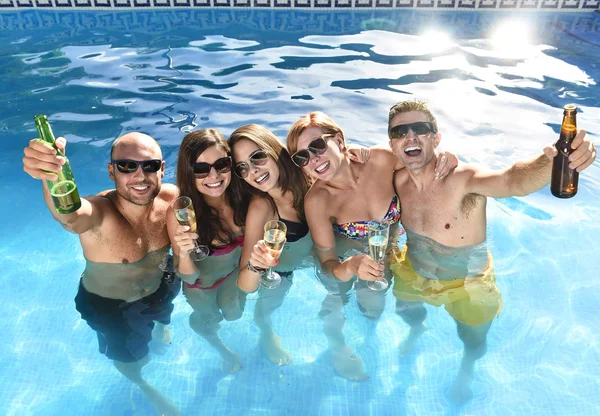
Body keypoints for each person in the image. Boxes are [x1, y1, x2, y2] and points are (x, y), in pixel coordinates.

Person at [386, 100, 597, 404]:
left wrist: (556, 158)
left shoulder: (464, 179)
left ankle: (467, 369)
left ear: (436, 137)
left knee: (473, 340)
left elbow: (513, 180)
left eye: (421, 129)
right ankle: (415, 332)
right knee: (407, 311)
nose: (411, 137)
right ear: (392, 144)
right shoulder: (394, 180)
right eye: (400, 132)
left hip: (468, 283)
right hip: (413, 270)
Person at [285, 111, 458, 381]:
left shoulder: (379, 160)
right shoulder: (318, 200)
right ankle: (337, 348)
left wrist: (447, 159)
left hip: (387, 251)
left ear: (339, 140)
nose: (313, 158)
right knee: (337, 299)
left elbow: (423, 162)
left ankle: (413, 330)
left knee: (384, 306)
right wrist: (350, 266)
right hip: (349, 257)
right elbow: (327, 264)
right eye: (302, 157)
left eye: (317, 146)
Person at [22, 132, 180, 416]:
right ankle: (144, 385)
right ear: (111, 171)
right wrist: (50, 172)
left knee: (163, 311)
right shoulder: (100, 213)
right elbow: (69, 215)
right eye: (127, 166)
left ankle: (161, 326)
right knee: (132, 359)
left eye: (150, 166)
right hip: (111, 308)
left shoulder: (171, 199)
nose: (140, 176)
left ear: (162, 169)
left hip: (161, 283)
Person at [228, 124, 315, 366]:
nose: (253, 171)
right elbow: (245, 285)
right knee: (265, 312)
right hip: (281, 272)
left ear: (274, 150)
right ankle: (266, 337)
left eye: (257, 157)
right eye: (242, 168)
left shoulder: (309, 177)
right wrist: (256, 265)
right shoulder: (262, 207)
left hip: (314, 259)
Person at [167, 129, 248, 373]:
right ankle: (222, 350)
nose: (213, 175)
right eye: (201, 169)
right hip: (203, 286)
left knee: (234, 315)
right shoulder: (181, 214)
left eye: (221, 164)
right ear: (188, 172)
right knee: (209, 322)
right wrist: (182, 252)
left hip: (233, 275)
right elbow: (189, 276)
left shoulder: (243, 198)